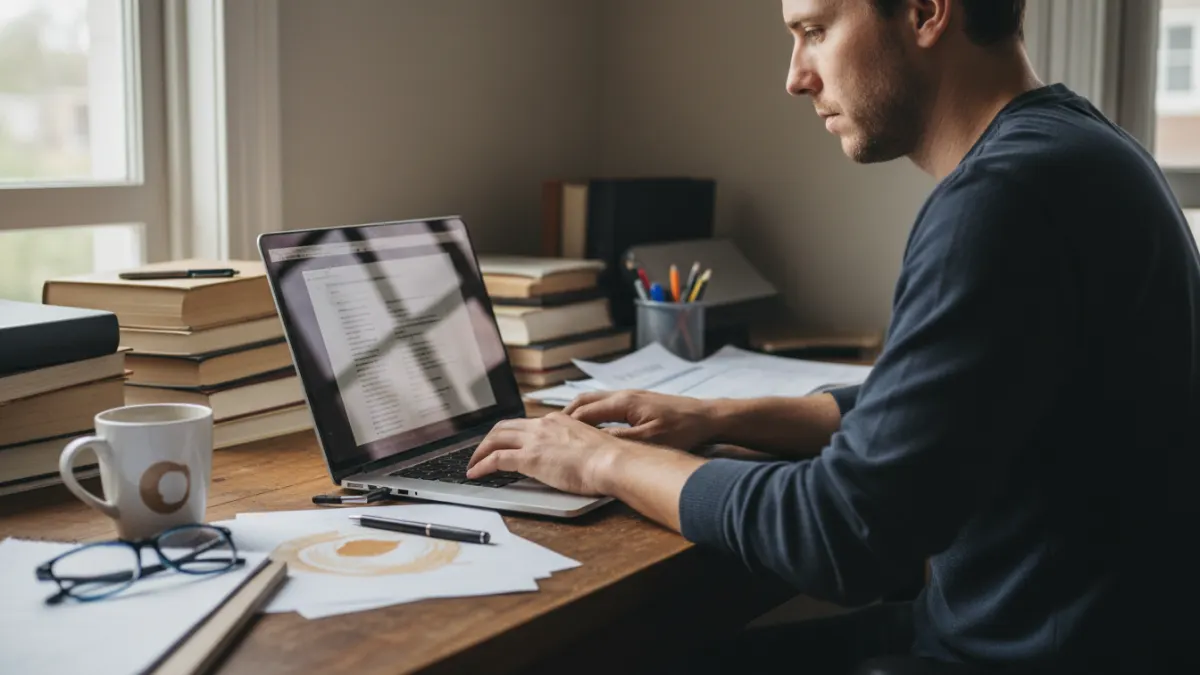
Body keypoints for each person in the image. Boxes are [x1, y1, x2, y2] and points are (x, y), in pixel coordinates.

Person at [468, 0, 1200, 672]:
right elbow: (938, 410)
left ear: (925, 12)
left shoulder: (1001, 199)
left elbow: (842, 531)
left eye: (815, 31)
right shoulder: (1079, 148)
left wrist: (604, 460)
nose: (796, 77)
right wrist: (718, 417)